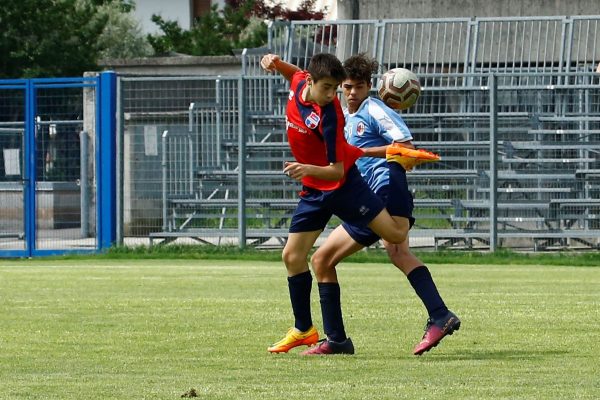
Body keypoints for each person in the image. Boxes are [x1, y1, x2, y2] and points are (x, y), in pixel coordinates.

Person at [260, 53, 439, 355]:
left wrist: (307, 167)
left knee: (396, 240)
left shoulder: (335, 115)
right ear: (312, 81)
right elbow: (293, 73)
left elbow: (338, 169)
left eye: (340, 88)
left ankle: (440, 315)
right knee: (297, 257)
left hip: (347, 188)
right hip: (316, 191)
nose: (336, 94)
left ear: (370, 86)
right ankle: (312, 332)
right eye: (334, 87)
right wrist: (275, 63)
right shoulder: (302, 84)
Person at [306, 54, 460, 356]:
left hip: (383, 192)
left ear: (370, 88)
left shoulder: (375, 109)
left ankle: (337, 339)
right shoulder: (342, 116)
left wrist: (360, 153)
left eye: (359, 87)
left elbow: (407, 150)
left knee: (324, 260)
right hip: (372, 194)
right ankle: (440, 314)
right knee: (393, 253)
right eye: (347, 87)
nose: (352, 93)